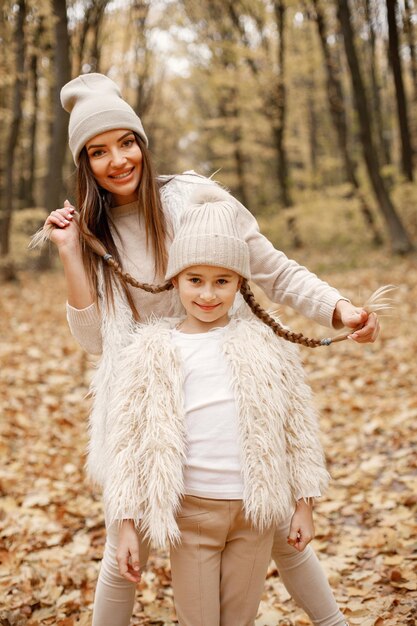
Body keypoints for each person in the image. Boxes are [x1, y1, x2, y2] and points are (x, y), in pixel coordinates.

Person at [38, 72, 379, 626]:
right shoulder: (90, 231)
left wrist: (339, 309)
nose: (117, 160)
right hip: (148, 401)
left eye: (126, 143)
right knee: (126, 549)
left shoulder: (196, 198)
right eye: (98, 152)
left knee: (277, 530)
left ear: (142, 143)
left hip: (227, 376)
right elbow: (96, 341)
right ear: (85, 164)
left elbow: (272, 269)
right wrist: (72, 255)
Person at [104, 185, 331, 626]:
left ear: (240, 284)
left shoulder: (266, 344)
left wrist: (304, 501)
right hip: (191, 515)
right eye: (195, 280)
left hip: (256, 513)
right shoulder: (152, 349)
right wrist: (127, 519)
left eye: (222, 281)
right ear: (175, 280)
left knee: (239, 619)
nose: (208, 294)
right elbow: (127, 443)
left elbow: (298, 427)